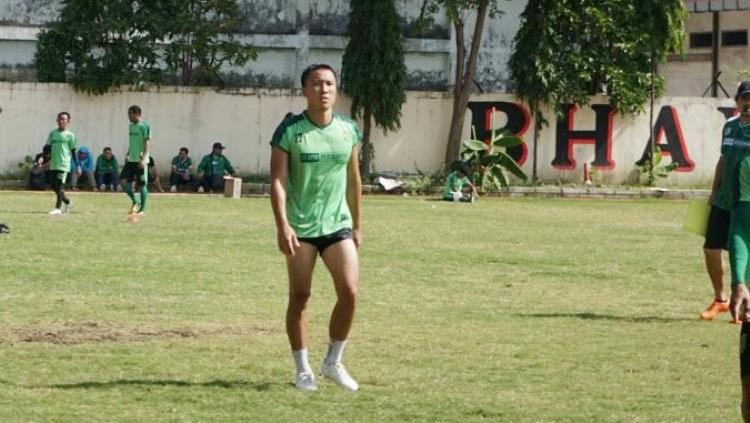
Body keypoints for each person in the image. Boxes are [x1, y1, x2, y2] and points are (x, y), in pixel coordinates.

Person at [270, 63, 362, 392]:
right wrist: (283, 226)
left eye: (329, 84)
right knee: (300, 296)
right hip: (301, 227)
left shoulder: (349, 129)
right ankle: (303, 370)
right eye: (316, 83)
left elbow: (354, 180)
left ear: (336, 90)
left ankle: (333, 361)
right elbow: (277, 181)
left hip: (338, 225)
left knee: (350, 293)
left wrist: (358, 226)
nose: (323, 89)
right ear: (305, 90)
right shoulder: (289, 131)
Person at [703, 82, 750, 321]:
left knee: (742, 252)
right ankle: (720, 299)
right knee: (711, 248)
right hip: (724, 200)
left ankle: (742, 304)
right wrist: (713, 191)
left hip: (746, 202)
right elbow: (723, 159)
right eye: (745, 98)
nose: (749, 103)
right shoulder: (729, 127)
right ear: (737, 101)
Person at [46, 111, 79, 215]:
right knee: (53, 185)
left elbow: (73, 152)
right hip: (53, 164)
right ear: (57, 120)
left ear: (68, 121)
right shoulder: (52, 133)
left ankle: (58, 209)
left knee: (60, 186)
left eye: (63, 119)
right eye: (59, 119)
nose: (61, 121)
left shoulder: (70, 135)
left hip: (64, 165)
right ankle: (68, 202)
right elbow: (47, 148)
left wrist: (78, 166)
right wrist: (44, 159)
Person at [120, 105, 151, 214]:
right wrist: (128, 153)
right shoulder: (130, 126)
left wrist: (143, 159)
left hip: (140, 160)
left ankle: (142, 209)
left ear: (137, 114)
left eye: (130, 114)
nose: (128, 116)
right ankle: (135, 200)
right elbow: (132, 142)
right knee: (122, 181)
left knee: (142, 184)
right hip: (131, 159)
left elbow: (147, 143)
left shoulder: (144, 126)